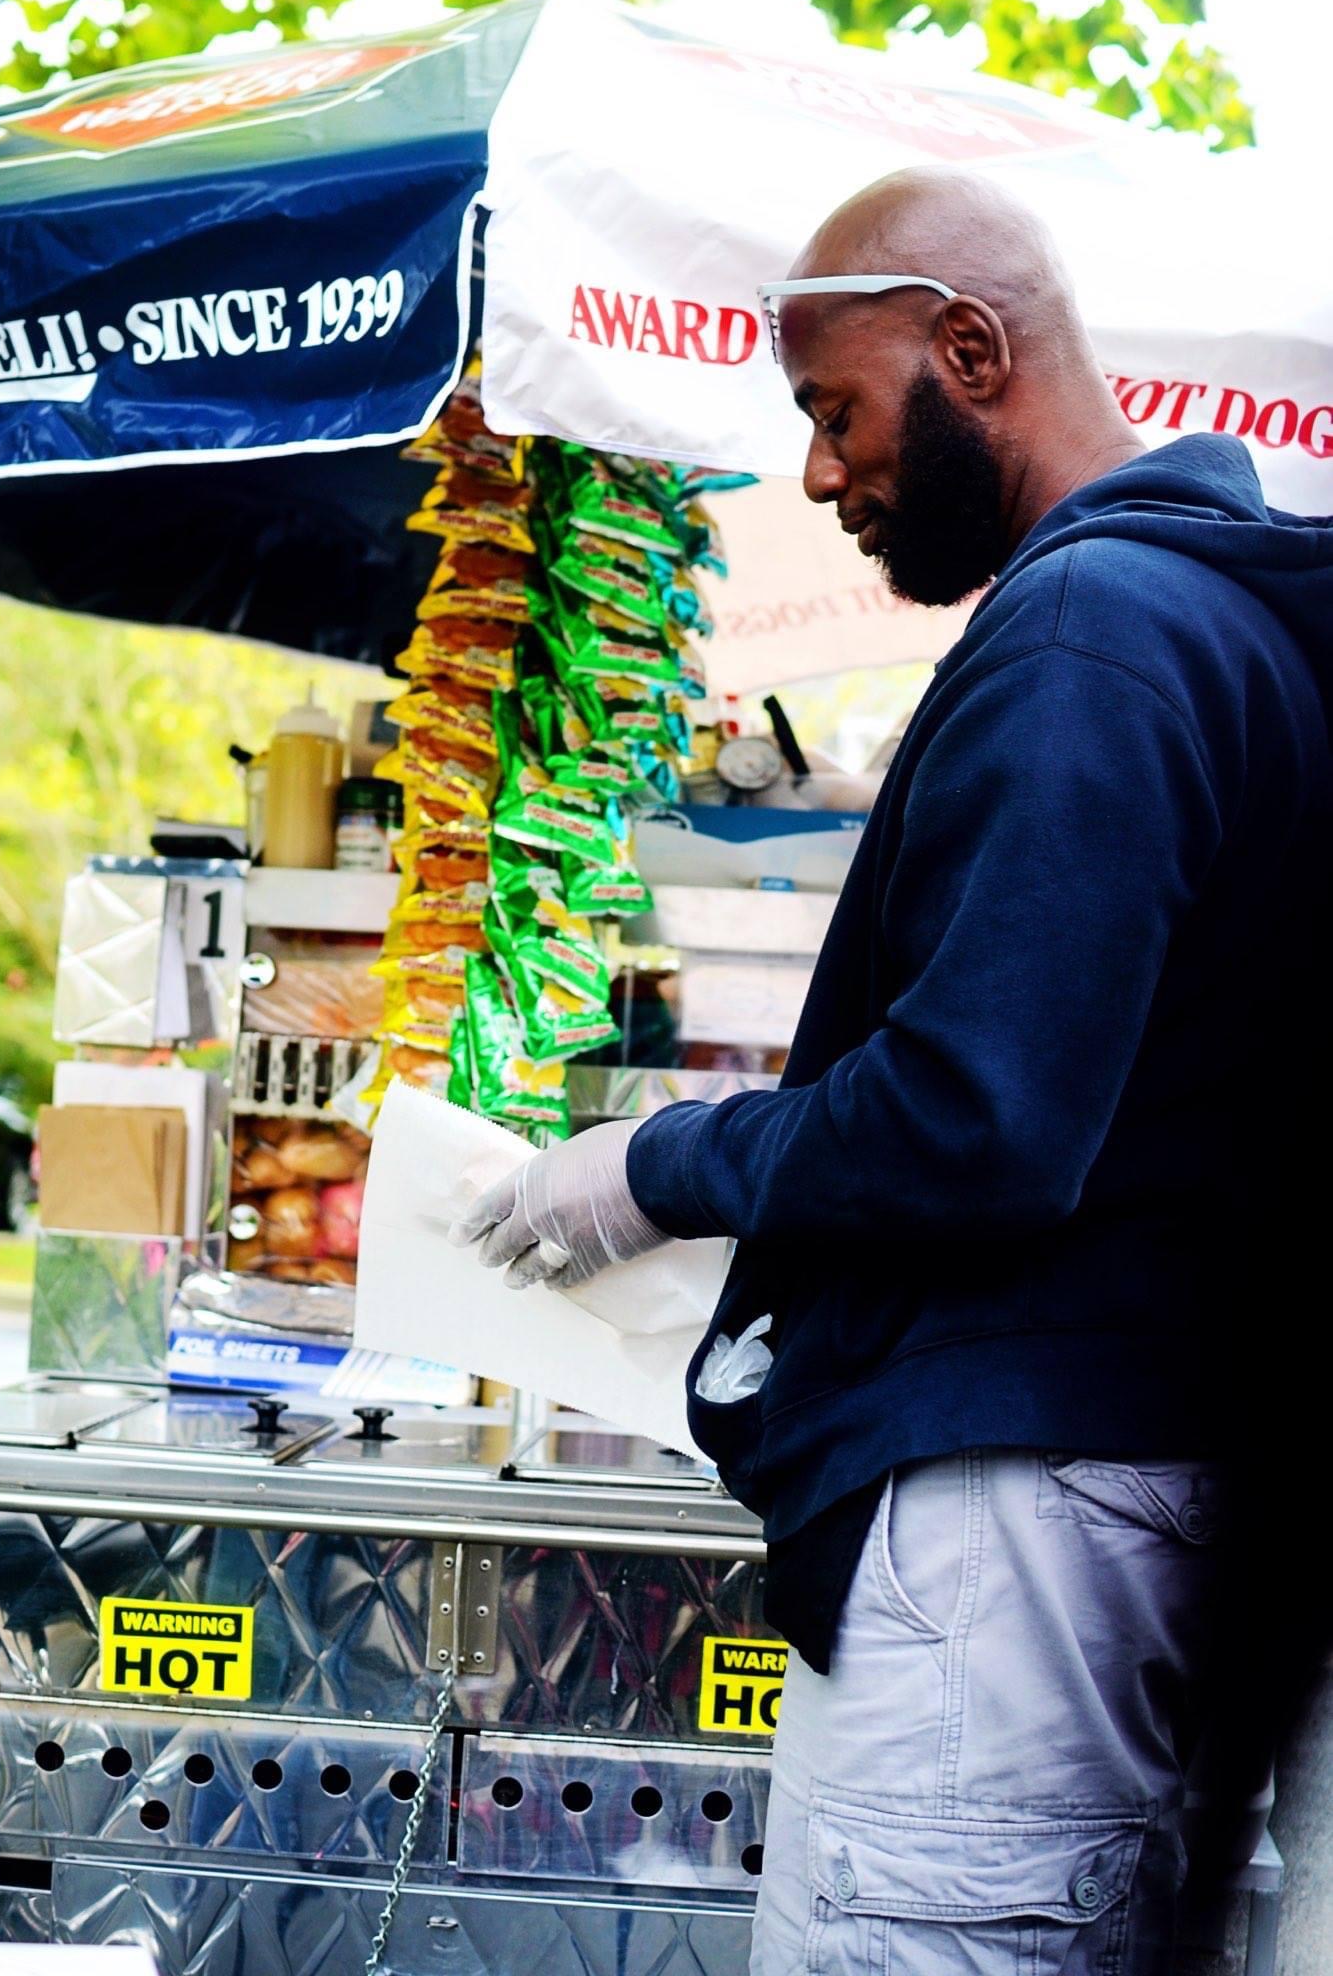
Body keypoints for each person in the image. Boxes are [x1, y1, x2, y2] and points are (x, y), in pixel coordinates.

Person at [453, 167, 1333, 1973]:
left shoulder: (1092, 636)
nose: (816, 474)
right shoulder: (1234, 625)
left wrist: (655, 1164)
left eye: (832, 411)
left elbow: (975, 1119)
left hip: (1017, 1520)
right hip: (1171, 1478)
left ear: (972, 352)